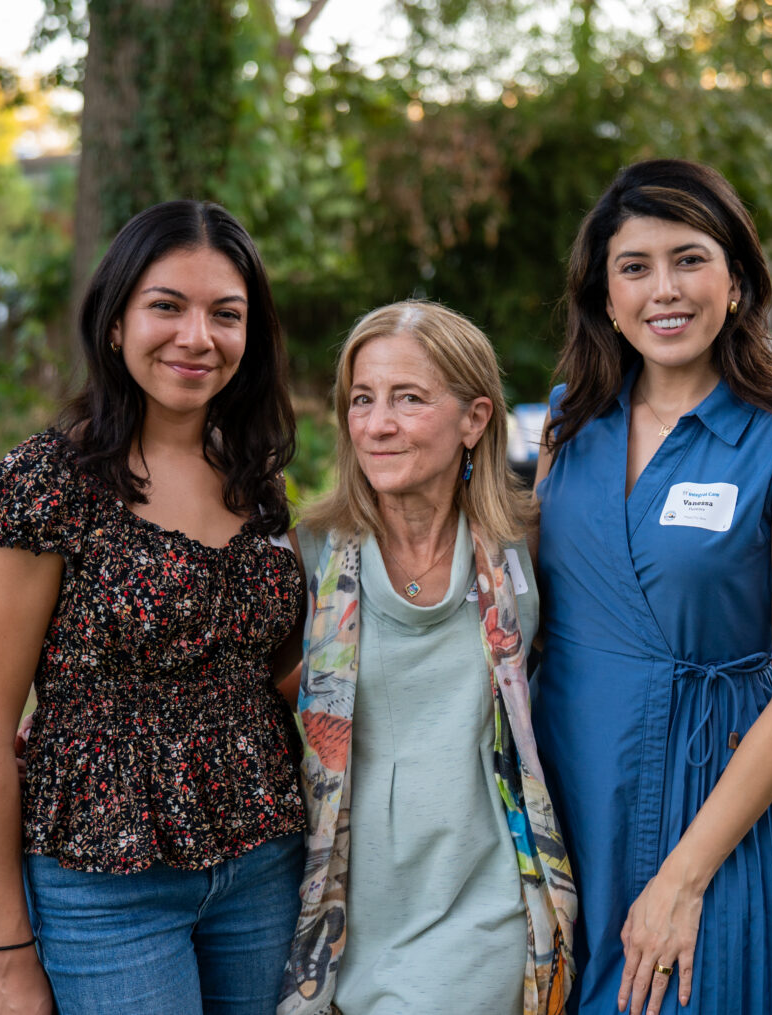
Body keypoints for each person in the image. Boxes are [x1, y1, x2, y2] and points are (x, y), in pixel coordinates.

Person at [532, 159, 772, 1015]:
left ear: (738, 279)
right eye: (634, 266)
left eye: (689, 258)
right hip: (571, 795)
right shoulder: (570, 422)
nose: (664, 289)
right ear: (605, 295)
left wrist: (683, 876)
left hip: (711, 813)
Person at [0, 200, 306, 1015]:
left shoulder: (255, 478)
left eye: (226, 313)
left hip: (263, 864)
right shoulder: (45, 484)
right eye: (167, 306)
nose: (198, 336)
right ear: (115, 323)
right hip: (104, 883)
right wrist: (10, 959)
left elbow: (281, 671)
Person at [274, 300, 577, 1015]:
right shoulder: (310, 552)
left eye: (408, 398)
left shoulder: (524, 547)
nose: (378, 424)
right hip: (348, 906)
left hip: (483, 896)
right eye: (362, 400)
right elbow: (238, 681)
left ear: (474, 418)